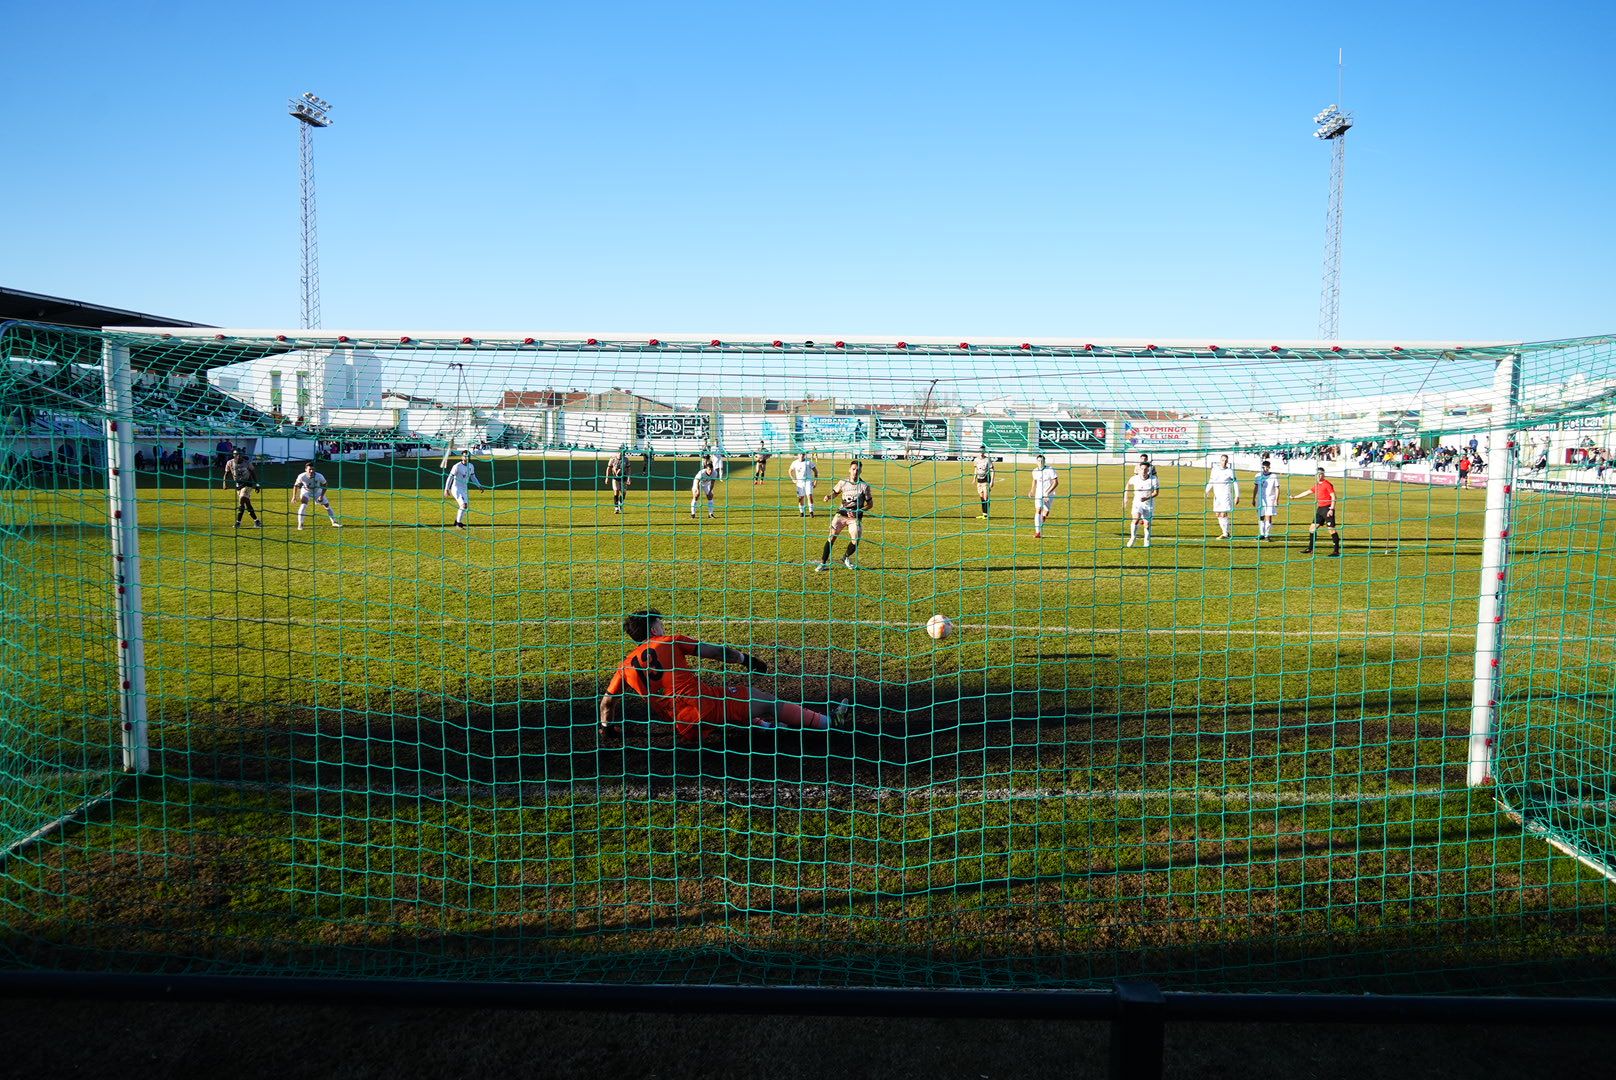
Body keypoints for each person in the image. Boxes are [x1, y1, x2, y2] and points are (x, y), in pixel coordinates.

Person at [597, 609, 852, 746]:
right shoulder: (669, 641)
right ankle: (829, 722)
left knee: (732, 703)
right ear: (654, 628)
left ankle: (764, 726)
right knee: (760, 698)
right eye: (660, 624)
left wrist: (606, 728)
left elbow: (607, 703)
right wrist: (746, 659)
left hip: (683, 726)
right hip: (705, 706)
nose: (663, 627)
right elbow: (717, 652)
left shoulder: (623, 667)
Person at [817, 460, 873, 571]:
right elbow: (835, 493)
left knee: (855, 539)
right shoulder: (843, 482)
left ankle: (845, 557)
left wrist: (858, 511)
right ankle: (823, 563)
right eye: (853, 469)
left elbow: (870, 504)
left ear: (861, 470)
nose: (855, 472)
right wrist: (829, 497)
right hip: (841, 515)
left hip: (854, 518)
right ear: (849, 470)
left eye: (857, 469)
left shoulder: (864, 486)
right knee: (831, 537)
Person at [1290, 467, 1340, 556]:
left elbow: (1333, 497)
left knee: (1331, 530)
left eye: (1321, 474)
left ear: (1324, 475)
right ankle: (1310, 549)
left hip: (1327, 509)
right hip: (1320, 509)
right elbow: (1307, 492)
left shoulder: (1327, 484)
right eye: (1318, 474)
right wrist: (1295, 497)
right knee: (1312, 529)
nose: (1319, 475)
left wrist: (1331, 509)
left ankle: (1336, 551)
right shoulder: (1317, 485)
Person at [290, 461, 342, 530]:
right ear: (306, 470)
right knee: (303, 505)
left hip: (317, 491)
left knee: (327, 506)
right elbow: (296, 485)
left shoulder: (319, 476)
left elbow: (325, 485)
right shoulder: (301, 476)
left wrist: (321, 496)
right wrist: (294, 496)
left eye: (313, 469)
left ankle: (334, 522)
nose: (311, 471)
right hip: (306, 491)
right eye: (310, 469)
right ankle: (300, 524)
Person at [443, 450, 484, 530]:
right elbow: (450, 477)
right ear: (462, 457)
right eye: (465, 456)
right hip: (456, 488)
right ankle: (458, 524)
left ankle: (456, 521)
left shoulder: (471, 466)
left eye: (468, 456)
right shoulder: (457, 466)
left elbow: (473, 477)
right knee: (464, 505)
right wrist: (446, 489)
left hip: (464, 488)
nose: (466, 457)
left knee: (465, 507)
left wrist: (479, 485)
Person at [222, 449, 263, 528]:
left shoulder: (247, 463)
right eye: (237, 455)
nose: (239, 456)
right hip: (238, 485)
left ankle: (238, 522)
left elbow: (253, 473)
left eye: (240, 455)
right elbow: (226, 473)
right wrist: (224, 483)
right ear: (234, 455)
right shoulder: (229, 463)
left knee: (242, 498)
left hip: (248, 483)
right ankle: (257, 521)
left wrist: (257, 484)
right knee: (246, 503)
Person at [1123, 460, 1158, 547]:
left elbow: (1156, 493)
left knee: (1147, 524)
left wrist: (1146, 497)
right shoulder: (1134, 478)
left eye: (1145, 469)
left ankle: (1146, 540)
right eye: (1142, 469)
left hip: (1149, 504)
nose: (1143, 471)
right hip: (1137, 503)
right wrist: (1125, 497)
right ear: (1139, 470)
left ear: (1148, 470)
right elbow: (1128, 484)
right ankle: (1132, 538)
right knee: (1136, 519)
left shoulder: (1153, 479)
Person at [1205, 453, 1239, 539]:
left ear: (1227, 461)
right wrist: (1207, 490)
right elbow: (1211, 480)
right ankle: (1225, 533)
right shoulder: (1215, 469)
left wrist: (1237, 495)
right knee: (1218, 514)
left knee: (1223, 514)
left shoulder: (1230, 471)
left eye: (1226, 460)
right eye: (1223, 460)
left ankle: (1225, 533)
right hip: (1217, 496)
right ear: (1220, 460)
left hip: (1226, 495)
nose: (1224, 462)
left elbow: (1235, 483)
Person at [1028, 454, 1059, 539]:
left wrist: (1047, 492)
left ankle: (1040, 524)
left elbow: (1056, 482)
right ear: (1036, 462)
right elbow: (1034, 481)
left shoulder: (1050, 470)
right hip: (1038, 494)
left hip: (1049, 495)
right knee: (1038, 510)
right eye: (1038, 461)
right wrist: (1032, 490)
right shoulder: (1034, 471)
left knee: (1046, 513)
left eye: (1042, 461)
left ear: (1044, 461)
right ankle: (1037, 532)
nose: (1040, 462)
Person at [1252, 458, 1280, 541]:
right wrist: (1253, 498)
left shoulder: (1273, 476)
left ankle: (1267, 535)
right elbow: (1256, 487)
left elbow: (1277, 488)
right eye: (1264, 467)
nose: (1265, 469)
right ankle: (1261, 534)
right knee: (1261, 516)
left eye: (1267, 467)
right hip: (1260, 499)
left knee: (1268, 516)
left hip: (1270, 499)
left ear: (1269, 467)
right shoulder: (1258, 476)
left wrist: (1276, 500)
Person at [788, 452, 818, 516]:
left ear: (805, 455)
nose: (802, 455)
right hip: (799, 482)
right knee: (801, 497)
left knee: (809, 496)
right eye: (800, 454)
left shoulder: (809, 462)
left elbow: (816, 471)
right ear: (798, 455)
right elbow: (790, 471)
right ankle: (802, 512)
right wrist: (793, 479)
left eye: (803, 454)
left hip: (808, 481)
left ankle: (811, 512)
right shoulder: (794, 463)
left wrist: (815, 481)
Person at [972, 447, 995, 519]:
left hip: (986, 481)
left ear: (984, 451)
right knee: (981, 497)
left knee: (986, 497)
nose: (981, 452)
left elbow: (992, 470)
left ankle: (987, 515)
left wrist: (992, 481)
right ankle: (984, 514)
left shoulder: (987, 459)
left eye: (983, 451)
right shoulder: (976, 460)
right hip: (979, 481)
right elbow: (975, 469)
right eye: (980, 451)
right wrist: (974, 479)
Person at [605, 449, 630, 514]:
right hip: (615, 478)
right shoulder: (612, 459)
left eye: (622, 453)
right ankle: (616, 508)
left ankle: (620, 504)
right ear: (617, 453)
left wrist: (628, 478)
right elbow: (608, 468)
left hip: (623, 478)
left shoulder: (626, 459)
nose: (621, 454)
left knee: (623, 493)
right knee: (616, 491)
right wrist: (607, 478)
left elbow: (628, 469)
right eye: (620, 453)